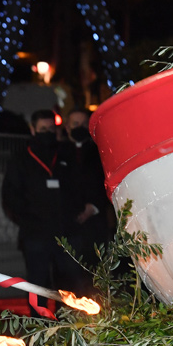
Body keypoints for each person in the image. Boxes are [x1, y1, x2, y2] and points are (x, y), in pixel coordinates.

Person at [1, 109, 90, 314]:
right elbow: (10, 196)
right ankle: (38, 325)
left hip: (67, 233)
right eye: (43, 129)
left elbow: (79, 186)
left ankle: (67, 324)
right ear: (33, 129)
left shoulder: (65, 153)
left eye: (51, 128)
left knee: (69, 283)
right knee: (37, 284)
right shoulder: (21, 158)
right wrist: (27, 220)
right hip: (35, 235)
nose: (48, 132)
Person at [64, 107, 113, 266]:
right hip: (68, 226)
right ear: (67, 127)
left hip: (96, 224)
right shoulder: (59, 152)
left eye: (84, 124)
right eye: (75, 123)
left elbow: (108, 182)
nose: (79, 127)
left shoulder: (101, 152)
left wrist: (93, 207)